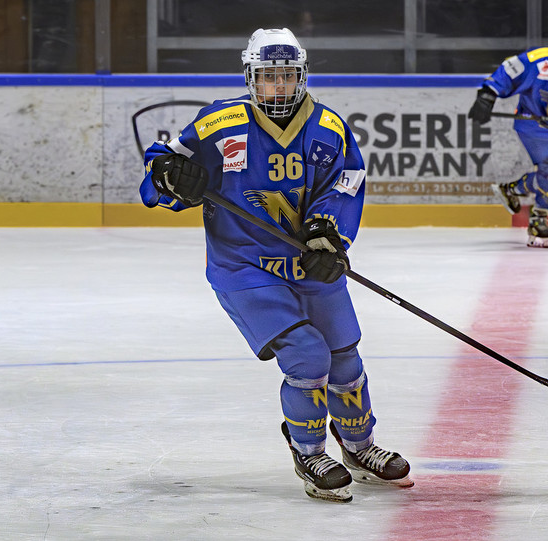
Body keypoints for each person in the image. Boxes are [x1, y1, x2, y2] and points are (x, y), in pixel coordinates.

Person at [138, 28, 413, 503]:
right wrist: (169, 178)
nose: (278, 88)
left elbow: (344, 184)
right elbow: (162, 171)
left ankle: (359, 446)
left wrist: (329, 239)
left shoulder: (328, 129)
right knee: (307, 355)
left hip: (306, 265)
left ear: (301, 76)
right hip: (244, 268)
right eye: (269, 78)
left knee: (345, 357)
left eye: (286, 77)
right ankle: (309, 451)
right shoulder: (217, 125)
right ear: (251, 77)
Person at [468, 11, 548, 248]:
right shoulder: (539, 60)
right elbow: (508, 71)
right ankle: (538, 220)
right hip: (531, 122)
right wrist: (488, 94)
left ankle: (512, 189)